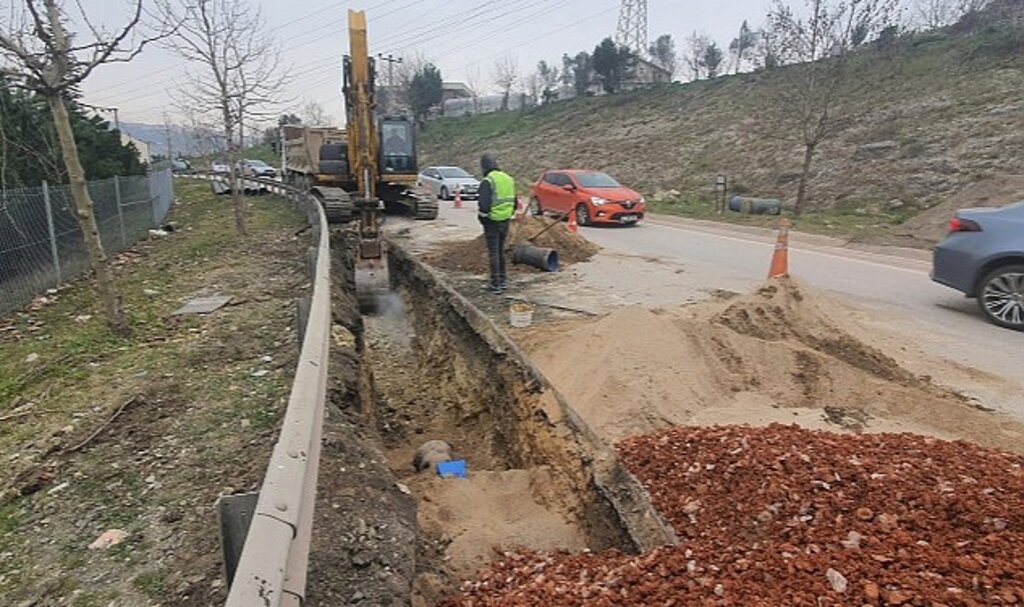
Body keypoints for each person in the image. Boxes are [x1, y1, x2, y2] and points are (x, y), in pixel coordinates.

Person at [477, 154, 516, 294]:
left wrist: (483, 218)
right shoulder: (508, 179)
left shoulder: (488, 181)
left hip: (492, 221)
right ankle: (503, 280)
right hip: (505, 220)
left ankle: (495, 284)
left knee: (493, 252)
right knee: (500, 250)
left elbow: (484, 205)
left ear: (484, 166)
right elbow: (514, 201)